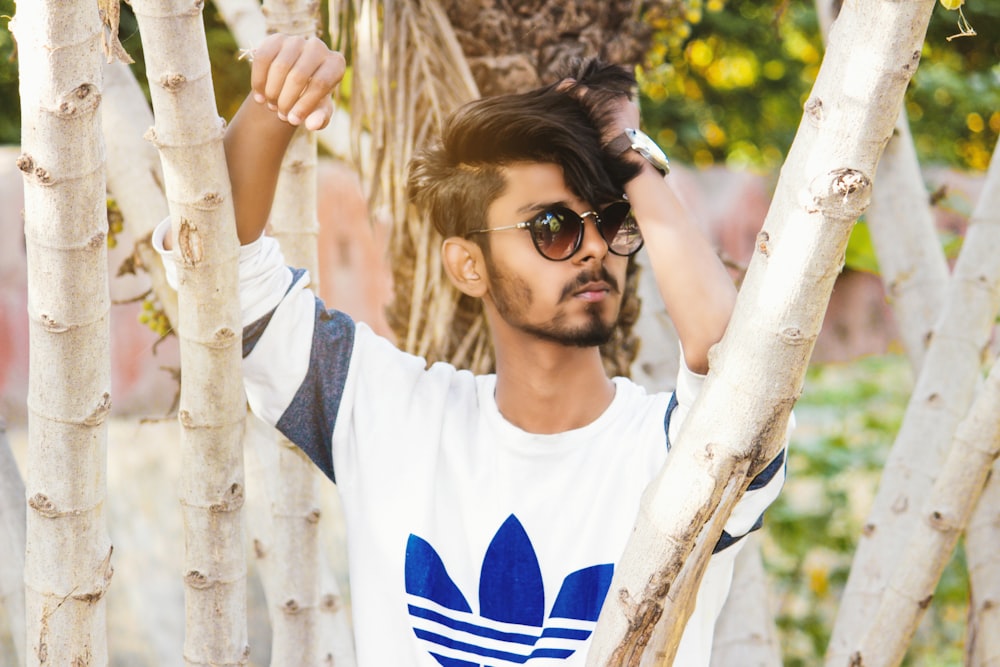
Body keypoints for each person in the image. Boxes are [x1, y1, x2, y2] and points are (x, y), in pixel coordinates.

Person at [155, 33, 787, 667]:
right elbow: (221, 277)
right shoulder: (391, 419)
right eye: (553, 226)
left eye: (609, 218)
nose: (594, 247)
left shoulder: (671, 452)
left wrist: (631, 161)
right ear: (468, 266)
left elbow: (737, 368)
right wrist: (275, 104)